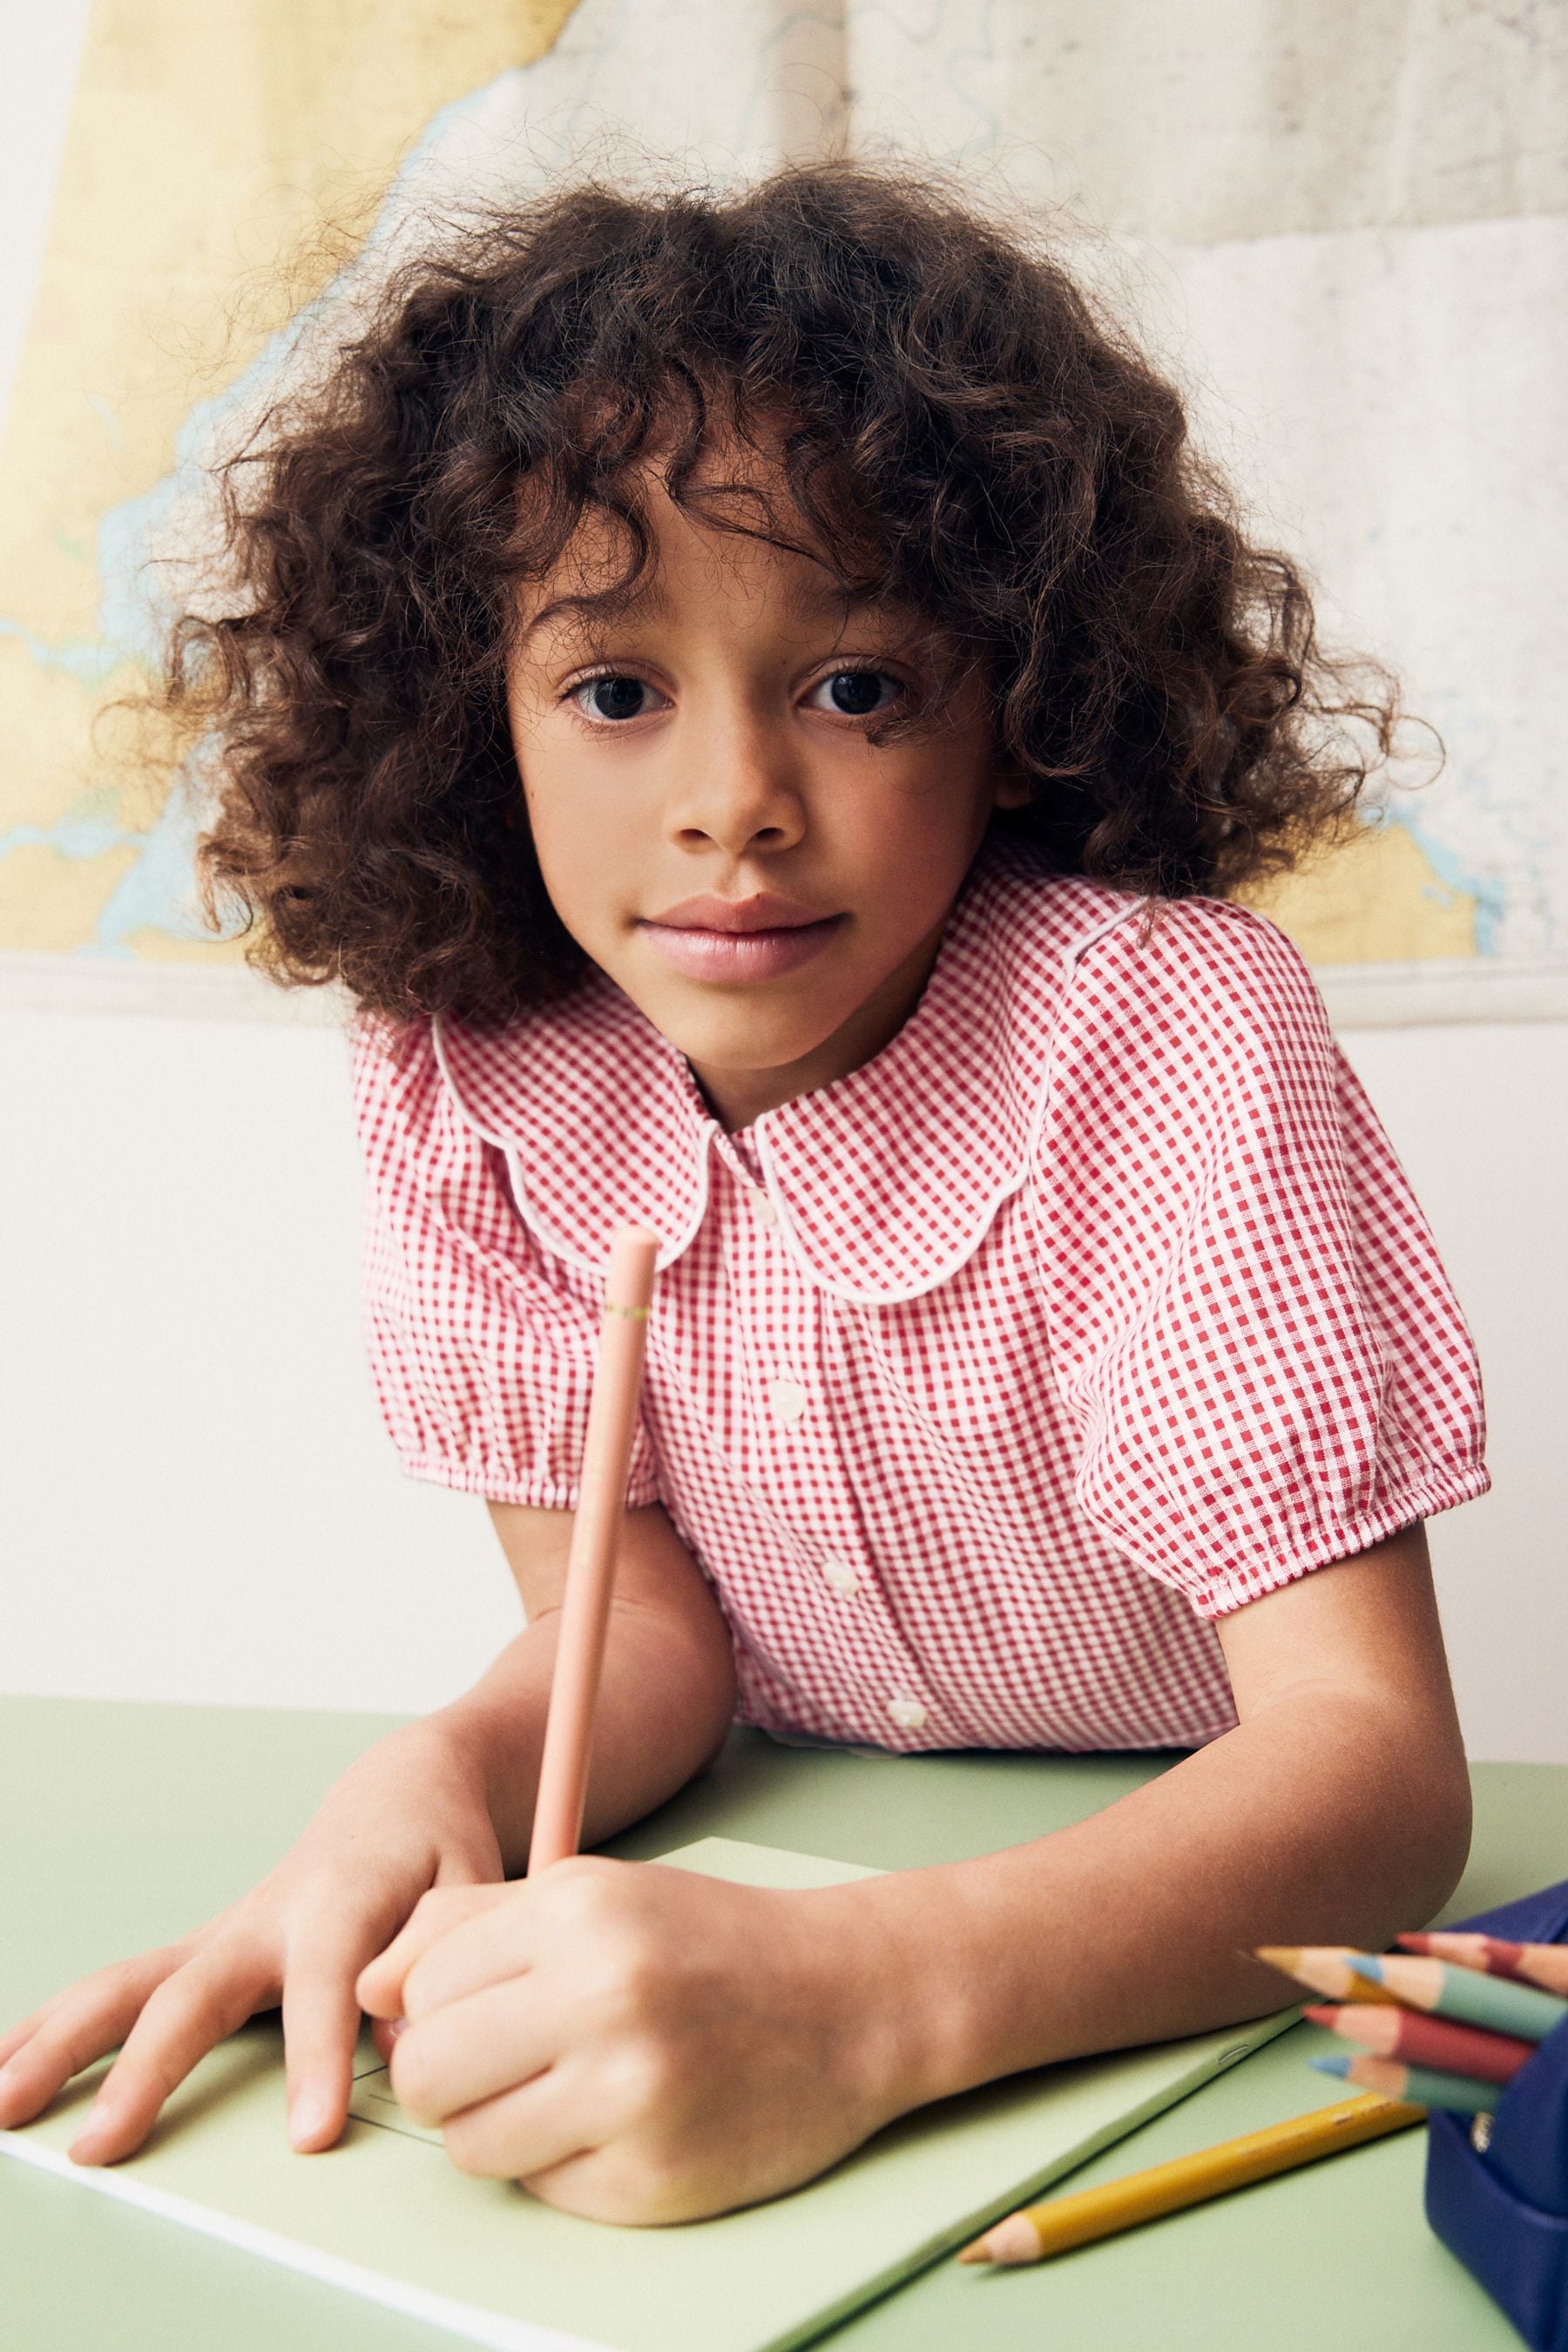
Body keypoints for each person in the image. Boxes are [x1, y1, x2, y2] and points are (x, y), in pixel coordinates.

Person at [0, 166, 1486, 2226]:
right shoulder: (471, 1066)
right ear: (467, 719)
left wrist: (866, 2000)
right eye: (615, 691)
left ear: (1024, 709)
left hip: (1181, 1931)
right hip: (771, 1844)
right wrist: (436, 1774)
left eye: (856, 686)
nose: (733, 802)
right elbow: (645, 1637)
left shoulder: (1164, 1034)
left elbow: (1377, 1779)